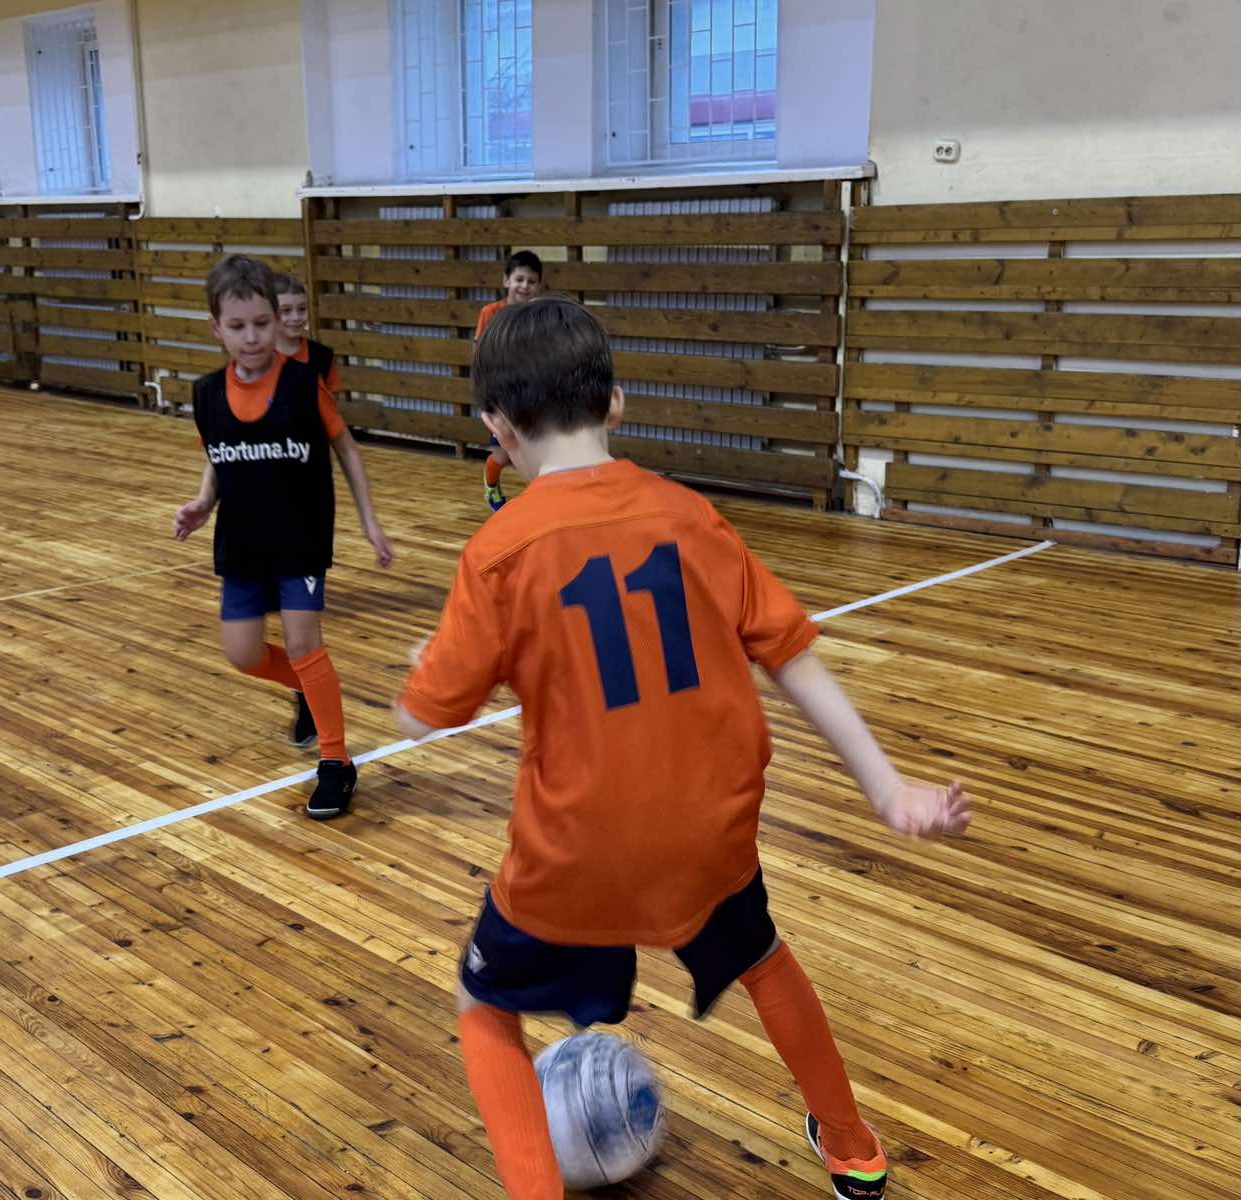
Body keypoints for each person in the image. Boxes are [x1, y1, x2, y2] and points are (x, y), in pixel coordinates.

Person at [395, 298, 971, 1200]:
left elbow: (426, 716)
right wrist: (889, 789)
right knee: (762, 955)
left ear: (496, 427)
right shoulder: (692, 517)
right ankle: (852, 1143)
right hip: (707, 835)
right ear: (616, 403)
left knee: (484, 1006)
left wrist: (421, 675)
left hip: (576, 852)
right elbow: (794, 657)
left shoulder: (498, 552)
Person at [174, 255, 395, 819]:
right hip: (242, 541)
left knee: (303, 643)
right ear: (216, 329)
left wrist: (369, 520)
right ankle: (309, 686)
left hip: (300, 536)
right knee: (243, 655)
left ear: (277, 321)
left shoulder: (302, 384)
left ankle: (336, 762)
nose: (251, 337)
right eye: (238, 326)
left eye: (261, 323)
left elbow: (346, 447)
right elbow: (218, 455)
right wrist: (202, 502)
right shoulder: (206, 394)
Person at [474, 250, 543, 513]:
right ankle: (491, 485)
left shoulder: (539, 317)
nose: (524, 286)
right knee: (503, 454)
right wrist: (488, 393)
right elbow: (480, 353)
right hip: (500, 396)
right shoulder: (490, 313)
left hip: (530, 395)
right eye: (519, 279)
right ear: (506, 280)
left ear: (539, 285)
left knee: (535, 452)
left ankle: (535, 502)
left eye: (531, 281)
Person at [272, 272, 341, 391]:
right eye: (286, 310)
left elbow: (330, 398)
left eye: (302, 309)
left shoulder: (323, 356)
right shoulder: (259, 358)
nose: (296, 317)